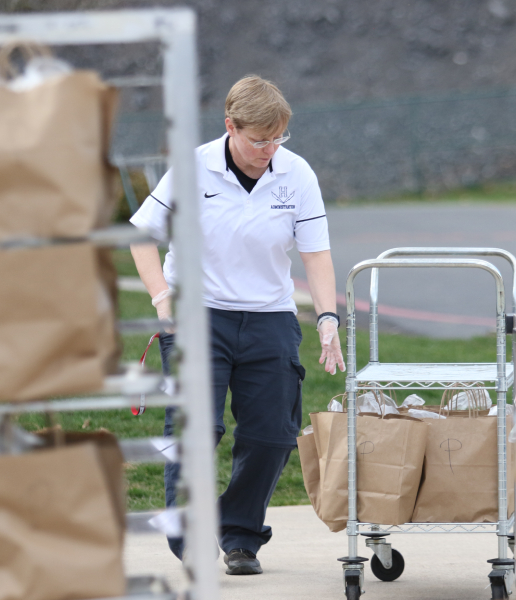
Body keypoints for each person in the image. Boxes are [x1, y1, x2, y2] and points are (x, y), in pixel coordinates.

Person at [129, 75, 345, 576]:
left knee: (274, 433)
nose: (269, 149)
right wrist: (162, 297)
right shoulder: (193, 168)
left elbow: (315, 253)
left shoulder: (297, 175)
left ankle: (240, 535)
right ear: (231, 126)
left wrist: (328, 318)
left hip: (269, 315)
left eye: (279, 138)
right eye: (259, 139)